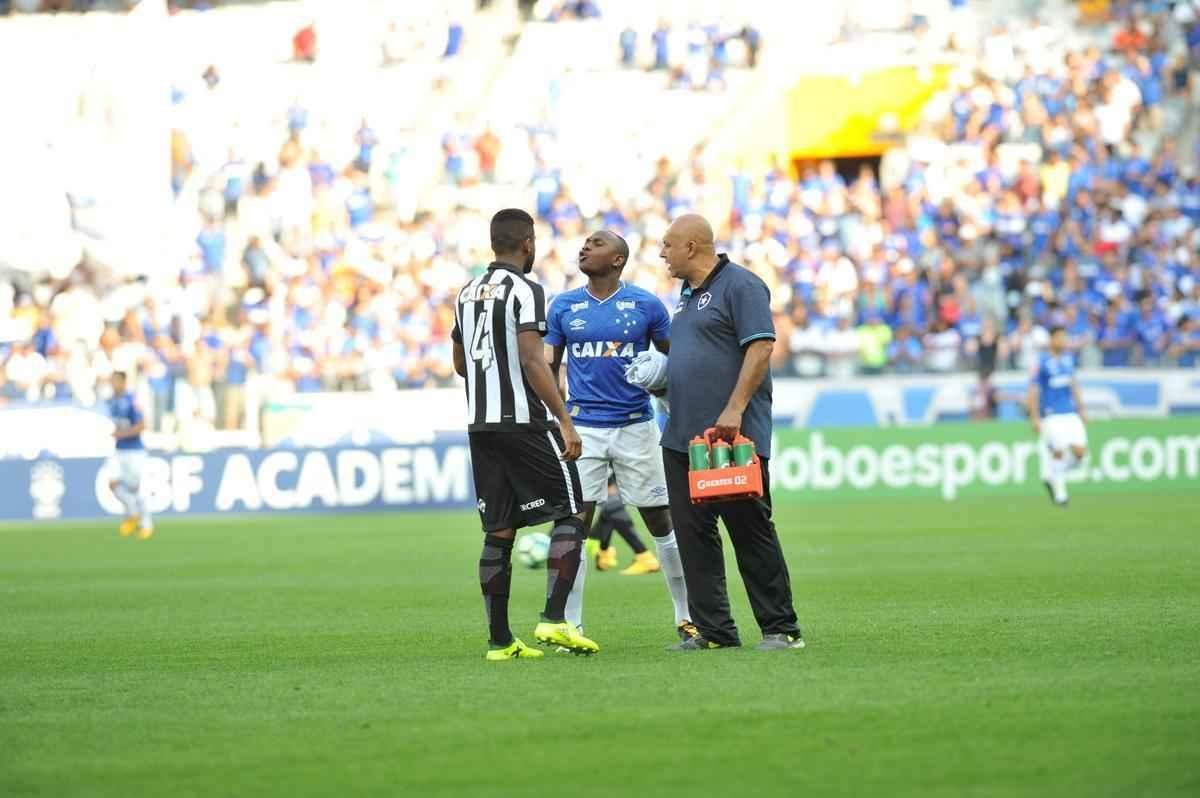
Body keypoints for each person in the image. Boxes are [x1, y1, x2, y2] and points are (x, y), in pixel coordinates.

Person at [451, 208, 598, 661]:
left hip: (481, 426)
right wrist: (565, 421)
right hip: (524, 423)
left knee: (499, 532)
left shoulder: (467, 291)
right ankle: (555, 620)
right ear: (527, 244)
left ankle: (500, 642)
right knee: (573, 513)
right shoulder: (526, 290)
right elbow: (535, 360)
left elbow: (459, 363)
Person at [657, 213, 804, 651]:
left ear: (691, 247)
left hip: (731, 438)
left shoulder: (741, 285)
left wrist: (735, 409)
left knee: (750, 529)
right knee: (693, 535)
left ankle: (781, 628)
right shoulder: (685, 296)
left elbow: (760, 347)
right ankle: (715, 631)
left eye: (667, 245)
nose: (662, 253)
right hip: (683, 437)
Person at [546, 230, 696, 644]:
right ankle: (569, 624)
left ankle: (687, 615)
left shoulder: (646, 304)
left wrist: (662, 378)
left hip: (635, 424)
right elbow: (547, 366)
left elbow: (675, 360)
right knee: (575, 523)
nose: (584, 247)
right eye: (585, 243)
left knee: (659, 518)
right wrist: (561, 421)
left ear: (617, 259)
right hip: (583, 428)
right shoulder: (563, 306)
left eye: (595, 243)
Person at [1028, 325, 1089, 507]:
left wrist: (1082, 408)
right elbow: (1033, 390)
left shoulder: (1069, 361)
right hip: (1052, 415)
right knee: (1059, 452)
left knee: (1080, 454)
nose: (1064, 341)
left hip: (1070, 413)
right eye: (1060, 337)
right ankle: (1061, 496)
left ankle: (1052, 476)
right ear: (1052, 340)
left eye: (1065, 337)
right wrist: (1034, 417)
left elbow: (1074, 385)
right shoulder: (1042, 362)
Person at [106, 372, 153, 540]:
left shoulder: (132, 400)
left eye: (115, 381)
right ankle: (132, 512)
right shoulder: (111, 401)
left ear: (123, 382)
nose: (112, 384)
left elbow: (141, 425)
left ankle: (146, 524)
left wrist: (122, 434)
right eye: (111, 381)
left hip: (134, 450)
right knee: (112, 484)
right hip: (118, 450)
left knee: (135, 488)